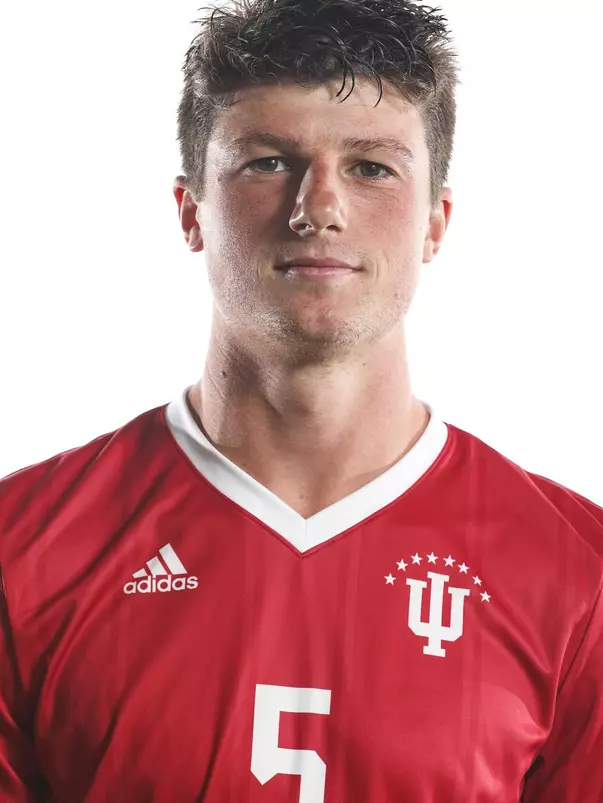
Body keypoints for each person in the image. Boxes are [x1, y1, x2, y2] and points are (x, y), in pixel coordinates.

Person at [1, 0, 602, 800]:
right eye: (267, 162)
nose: (317, 207)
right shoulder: (23, 548)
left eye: (371, 167)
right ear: (190, 211)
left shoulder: (577, 570)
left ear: (435, 223)